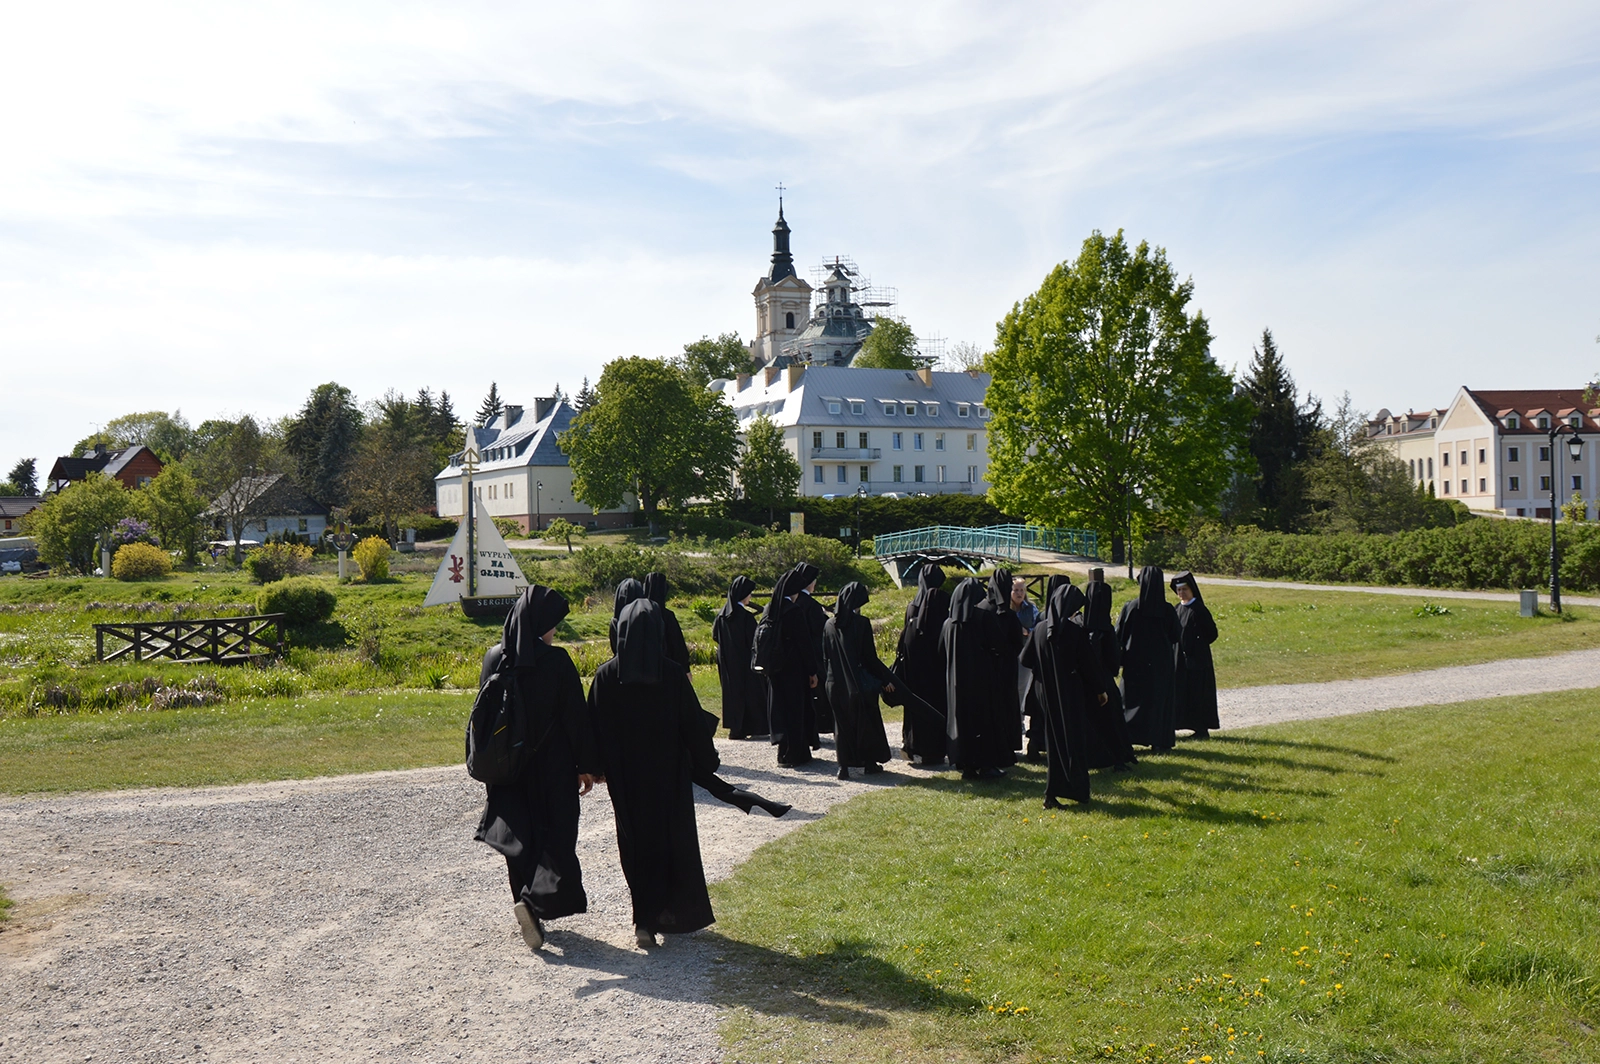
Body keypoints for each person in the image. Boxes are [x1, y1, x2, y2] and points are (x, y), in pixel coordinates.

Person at [473, 585, 603, 952]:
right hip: (553, 767)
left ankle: (525, 905)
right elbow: (575, 719)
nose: (554, 631)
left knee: (520, 840)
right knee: (558, 838)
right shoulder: (557, 661)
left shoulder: (493, 658)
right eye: (552, 625)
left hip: (507, 770)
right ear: (541, 624)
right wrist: (587, 766)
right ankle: (531, 903)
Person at [587, 593, 719, 949]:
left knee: (634, 845)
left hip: (625, 779)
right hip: (668, 778)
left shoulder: (606, 676)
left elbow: (593, 728)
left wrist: (595, 769)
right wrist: (708, 762)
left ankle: (642, 917)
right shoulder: (672, 675)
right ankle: (669, 912)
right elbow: (692, 726)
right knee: (670, 843)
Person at [1020, 582, 1108, 808]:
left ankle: (1053, 791)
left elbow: (1025, 659)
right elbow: (1089, 666)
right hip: (1068, 692)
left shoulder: (1039, 629)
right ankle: (1075, 789)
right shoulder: (1075, 632)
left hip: (1044, 692)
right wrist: (1100, 690)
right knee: (1072, 741)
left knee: (1053, 739)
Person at [822, 581, 897, 779]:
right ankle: (869, 763)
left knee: (842, 725)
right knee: (866, 722)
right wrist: (884, 679)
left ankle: (843, 767)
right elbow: (869, 659)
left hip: (835, 683)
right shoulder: (861, 624)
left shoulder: (829, 624)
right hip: (858, 682)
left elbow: (825, 656)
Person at [941, 577, 1012, 779]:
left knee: (962, 722)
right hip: (981, 679)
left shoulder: (948, 624)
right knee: (984, 720)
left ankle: (966, 765)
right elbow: (1000, 645)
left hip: (955, 681)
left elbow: (941, 651)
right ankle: (986, 765)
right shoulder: (982, 618)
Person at [1076, 579, 1137, 770]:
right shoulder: (1106, 629)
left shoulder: (1080, 624)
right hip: (1103, 679)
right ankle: (1118, 757)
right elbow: (1113, 660)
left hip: (1085, 680)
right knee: (1112, 721)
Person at [1117, 565, 1180, 751]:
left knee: (1131, 700)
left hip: (1135, 660)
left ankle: (1130, 736)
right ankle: (1160, 740)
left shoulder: (1131, 607)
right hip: (1161, 663)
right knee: (1159, 701)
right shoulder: (1168, 610)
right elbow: (1175, 635)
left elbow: (1119, 633)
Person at [762, 569, 819, 767]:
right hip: (794, 670)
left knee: (779, 710)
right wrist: (812, 671)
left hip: (774, 668)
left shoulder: (770, 608)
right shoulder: (794, 611)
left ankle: (782, 752)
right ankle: (795, 753)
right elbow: (805, 644)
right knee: (795, 711)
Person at [895, 564, 950, 765]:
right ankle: (934, 749)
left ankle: (911, 744)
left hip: (915, 667)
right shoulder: (942, 603)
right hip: (936, 666)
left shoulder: (912, 606)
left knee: (914, 708)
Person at [977, 569, 1028, 759]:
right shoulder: (1007, 614)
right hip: (1005, 668)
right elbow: (1017, 643)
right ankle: (1006, 745)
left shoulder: (980, 609)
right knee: (1006, 707)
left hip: (985, 668)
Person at [711, 575, 766, 739]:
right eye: (749, 593)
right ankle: (751, 726)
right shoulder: (746, 617)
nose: (750, 597)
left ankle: (735, 727)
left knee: (731, 693)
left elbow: (715, 635)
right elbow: (755, 640)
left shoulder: (721, 615)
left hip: (727, 660)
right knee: (750, 693)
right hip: (745, 660)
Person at [1170, 571, 1220, 739]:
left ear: (1191, 590)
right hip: (1179, 659)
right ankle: (1178, 724)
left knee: (1197, 693)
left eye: (1184, 589)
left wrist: (1196, 646)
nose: (1181, 593)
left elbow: (1211, 633)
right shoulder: (1177, 609)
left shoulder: (1199, 609)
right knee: (1180, 692)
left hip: (1197, 660)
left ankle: (1201, 729)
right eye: (1179, 590)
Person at [789, 563, 832, 739]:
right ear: (811, 583)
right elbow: (820, 632)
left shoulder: (793, 601)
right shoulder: (812, 606)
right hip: (814, 656)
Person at [643, 571, 692, 674]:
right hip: (668, 668)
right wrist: (685, 668)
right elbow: (677, 645)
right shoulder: (667, 616)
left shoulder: (640, 615)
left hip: (645, 668)